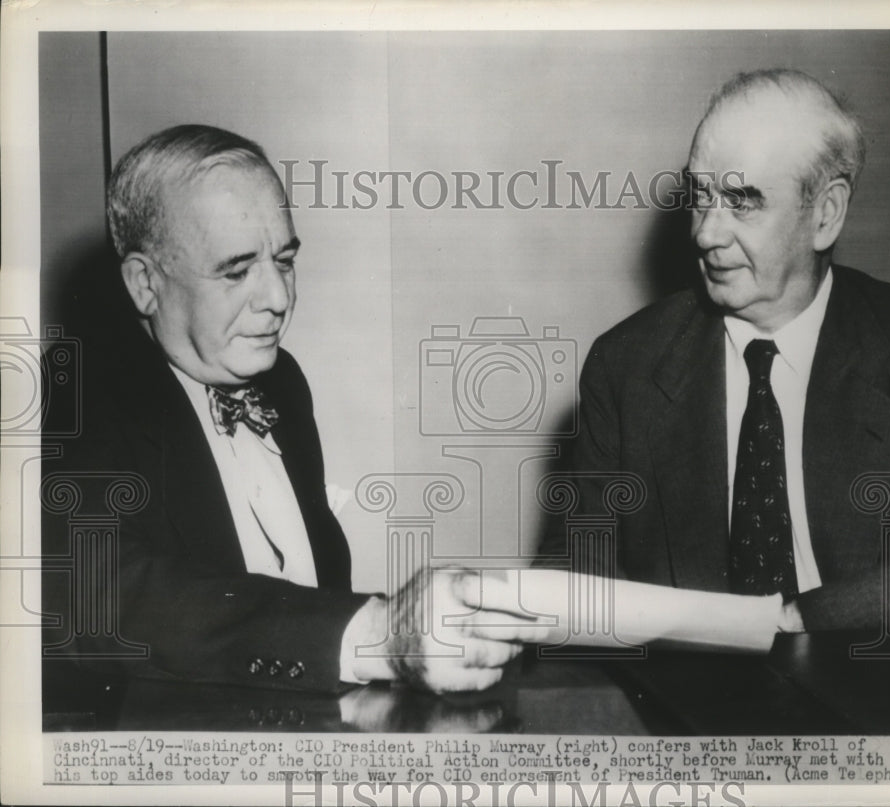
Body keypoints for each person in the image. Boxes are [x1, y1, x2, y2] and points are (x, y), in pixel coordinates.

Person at [41, 124, 526, 696]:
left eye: (286, 261)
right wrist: (374, 632)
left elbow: (305, 590)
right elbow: (95, 594)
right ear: (145, 284)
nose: (278, 299)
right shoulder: (71, 394)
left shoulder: (282, 383)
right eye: (237, 270)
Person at [534, 69, 890, 632]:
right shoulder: (625, 366)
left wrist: (796, 619)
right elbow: (574, 577)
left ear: (825, 213)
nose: (706, 233)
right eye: (701, 197)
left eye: (742, 201)